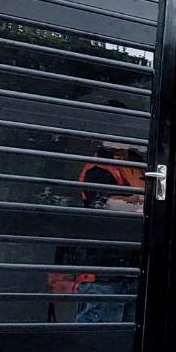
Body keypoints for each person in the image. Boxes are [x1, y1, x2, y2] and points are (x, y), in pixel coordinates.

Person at [47, 117, 145, 324]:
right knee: (98, 333)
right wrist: (137, 202)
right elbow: (105, 204)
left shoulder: (140, 164)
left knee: (132, 337)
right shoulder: (99, 168)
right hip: (104, 271)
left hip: (135, 269)